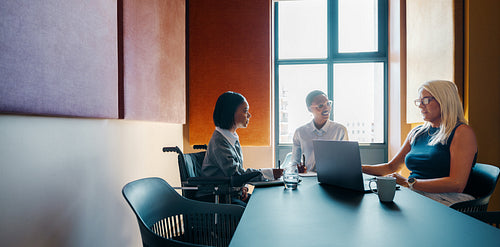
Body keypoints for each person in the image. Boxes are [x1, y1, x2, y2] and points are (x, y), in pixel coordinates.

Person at [362, 80, 478, 206]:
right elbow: (391, 167)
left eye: (426, 100)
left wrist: (408, 182)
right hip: (416, 193)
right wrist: (358, 168)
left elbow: (457, 184)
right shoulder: (417, 133)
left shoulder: (462, 132)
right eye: (419, 101)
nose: (421, 106)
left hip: (447, 198)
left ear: (444, 101)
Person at [200, 91, 281, 206]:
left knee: (263, 203)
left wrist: (243, 187)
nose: (249, 115)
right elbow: (236, 175)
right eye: (245, 111)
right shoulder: (219, 141)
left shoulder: (230, 137)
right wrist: (269, 173)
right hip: (215, 197)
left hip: (228, 192)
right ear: (230, 113)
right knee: (257, 208)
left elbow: (236, 173)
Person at [291, 90, 348, 172]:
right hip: (307, 179)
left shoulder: (340, 130)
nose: (327, 108)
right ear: (310, 109)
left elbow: (345, 161)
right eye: (320, 106)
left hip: (332, 178)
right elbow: (294, 163)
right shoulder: (300, 132)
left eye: (328, 104)